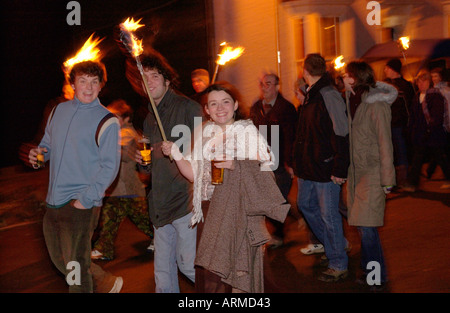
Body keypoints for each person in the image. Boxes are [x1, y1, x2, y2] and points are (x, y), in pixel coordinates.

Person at [161, 81, 290, 293]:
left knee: (238, 275)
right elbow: (194, 174)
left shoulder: (246, 132)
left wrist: (236, 165)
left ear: (236, 104)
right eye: (213, 103)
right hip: (208, 211)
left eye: (225, 102)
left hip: (237, 212)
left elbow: (266, 171)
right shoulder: (204, 132)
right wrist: (176, 154)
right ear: (206, 109)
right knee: (215, 276)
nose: (220, 108)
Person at [28, 60, 123, 293]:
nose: (88, 87)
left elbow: (110, 166)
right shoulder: (58, 111)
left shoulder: (107, 120)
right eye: (83, 81)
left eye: (94, 82)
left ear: (101, 86)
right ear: (73, 84)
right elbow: (47, 145)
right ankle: (107, 283)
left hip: (82, 201)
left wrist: (86, 199)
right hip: (54, 199)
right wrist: (39, 154)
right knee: (61, 261)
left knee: (76, 267)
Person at [129, 50, 203, 293]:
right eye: (145, 78)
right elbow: (149, 167)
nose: (149, 82)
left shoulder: (189, 108)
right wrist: (143, 161)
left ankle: (228, 293)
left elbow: (205, 152)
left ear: (167, 80)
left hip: (185, 202)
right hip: (159, 206)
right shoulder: (150, 117)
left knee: (189, 266)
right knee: (163, 275)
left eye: (155, 76)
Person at [292, 53, 350, 282]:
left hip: (326, 166)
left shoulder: (327, 94)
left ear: (305, 71)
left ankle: (338, 262)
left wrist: (339, 167)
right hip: (310, 165)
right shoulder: (311, 95)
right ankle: (336, 245)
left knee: (329, 215)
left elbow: (341, 132)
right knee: (305, 205)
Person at [343, 61, 397, 290]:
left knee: (367, 227)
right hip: (357, 172)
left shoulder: (376, 106)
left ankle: (376, 276)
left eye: (346, 75)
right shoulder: (353, 100)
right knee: (363, 225)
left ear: (354, 78)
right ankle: (368, 269)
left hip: (373, 173)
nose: (343, 79)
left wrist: (388, 180)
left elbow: (386, 143)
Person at [91, 99, 154, 261]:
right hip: (119, 189)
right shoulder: (115, 133)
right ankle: (103, 249)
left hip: (130, 188)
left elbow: (122, 154)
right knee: (109, 218)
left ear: (126, 119)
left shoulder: (127, 133)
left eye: (115, 116)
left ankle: (162, 240)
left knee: (143, 220)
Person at [249, 73, 297, 248]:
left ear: (277, 86)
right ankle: (293, 216)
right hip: (262, 161)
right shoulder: (256, 108)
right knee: (267, 199)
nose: (264, 87)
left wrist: (290, 163)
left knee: (276, 198)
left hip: (280, 163)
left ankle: (279, 233)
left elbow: (291, 136)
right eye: (261, 84)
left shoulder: (286, 108)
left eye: (268, 83)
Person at [403, 71, 450, 192]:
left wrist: (429, 129)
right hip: (420, 134)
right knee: (418, 157)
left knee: (440, 157)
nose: (421, 84)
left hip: (433, 133)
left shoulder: (435, 96)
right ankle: (412, 183)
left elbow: (437, 116)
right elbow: (413, 115)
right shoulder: (417, 96)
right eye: (419, 81)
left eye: (424, 81)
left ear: (429, 82)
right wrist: (412, 129)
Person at [383, 58, 415, 188]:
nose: (385, 70)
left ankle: (403, 178)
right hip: (386, 124)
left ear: (393, 70)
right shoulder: (384, 84)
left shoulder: (405, 86)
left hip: (398, 125)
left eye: (387, 68)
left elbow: (408, 106)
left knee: (401, 151)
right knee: (388, 153)